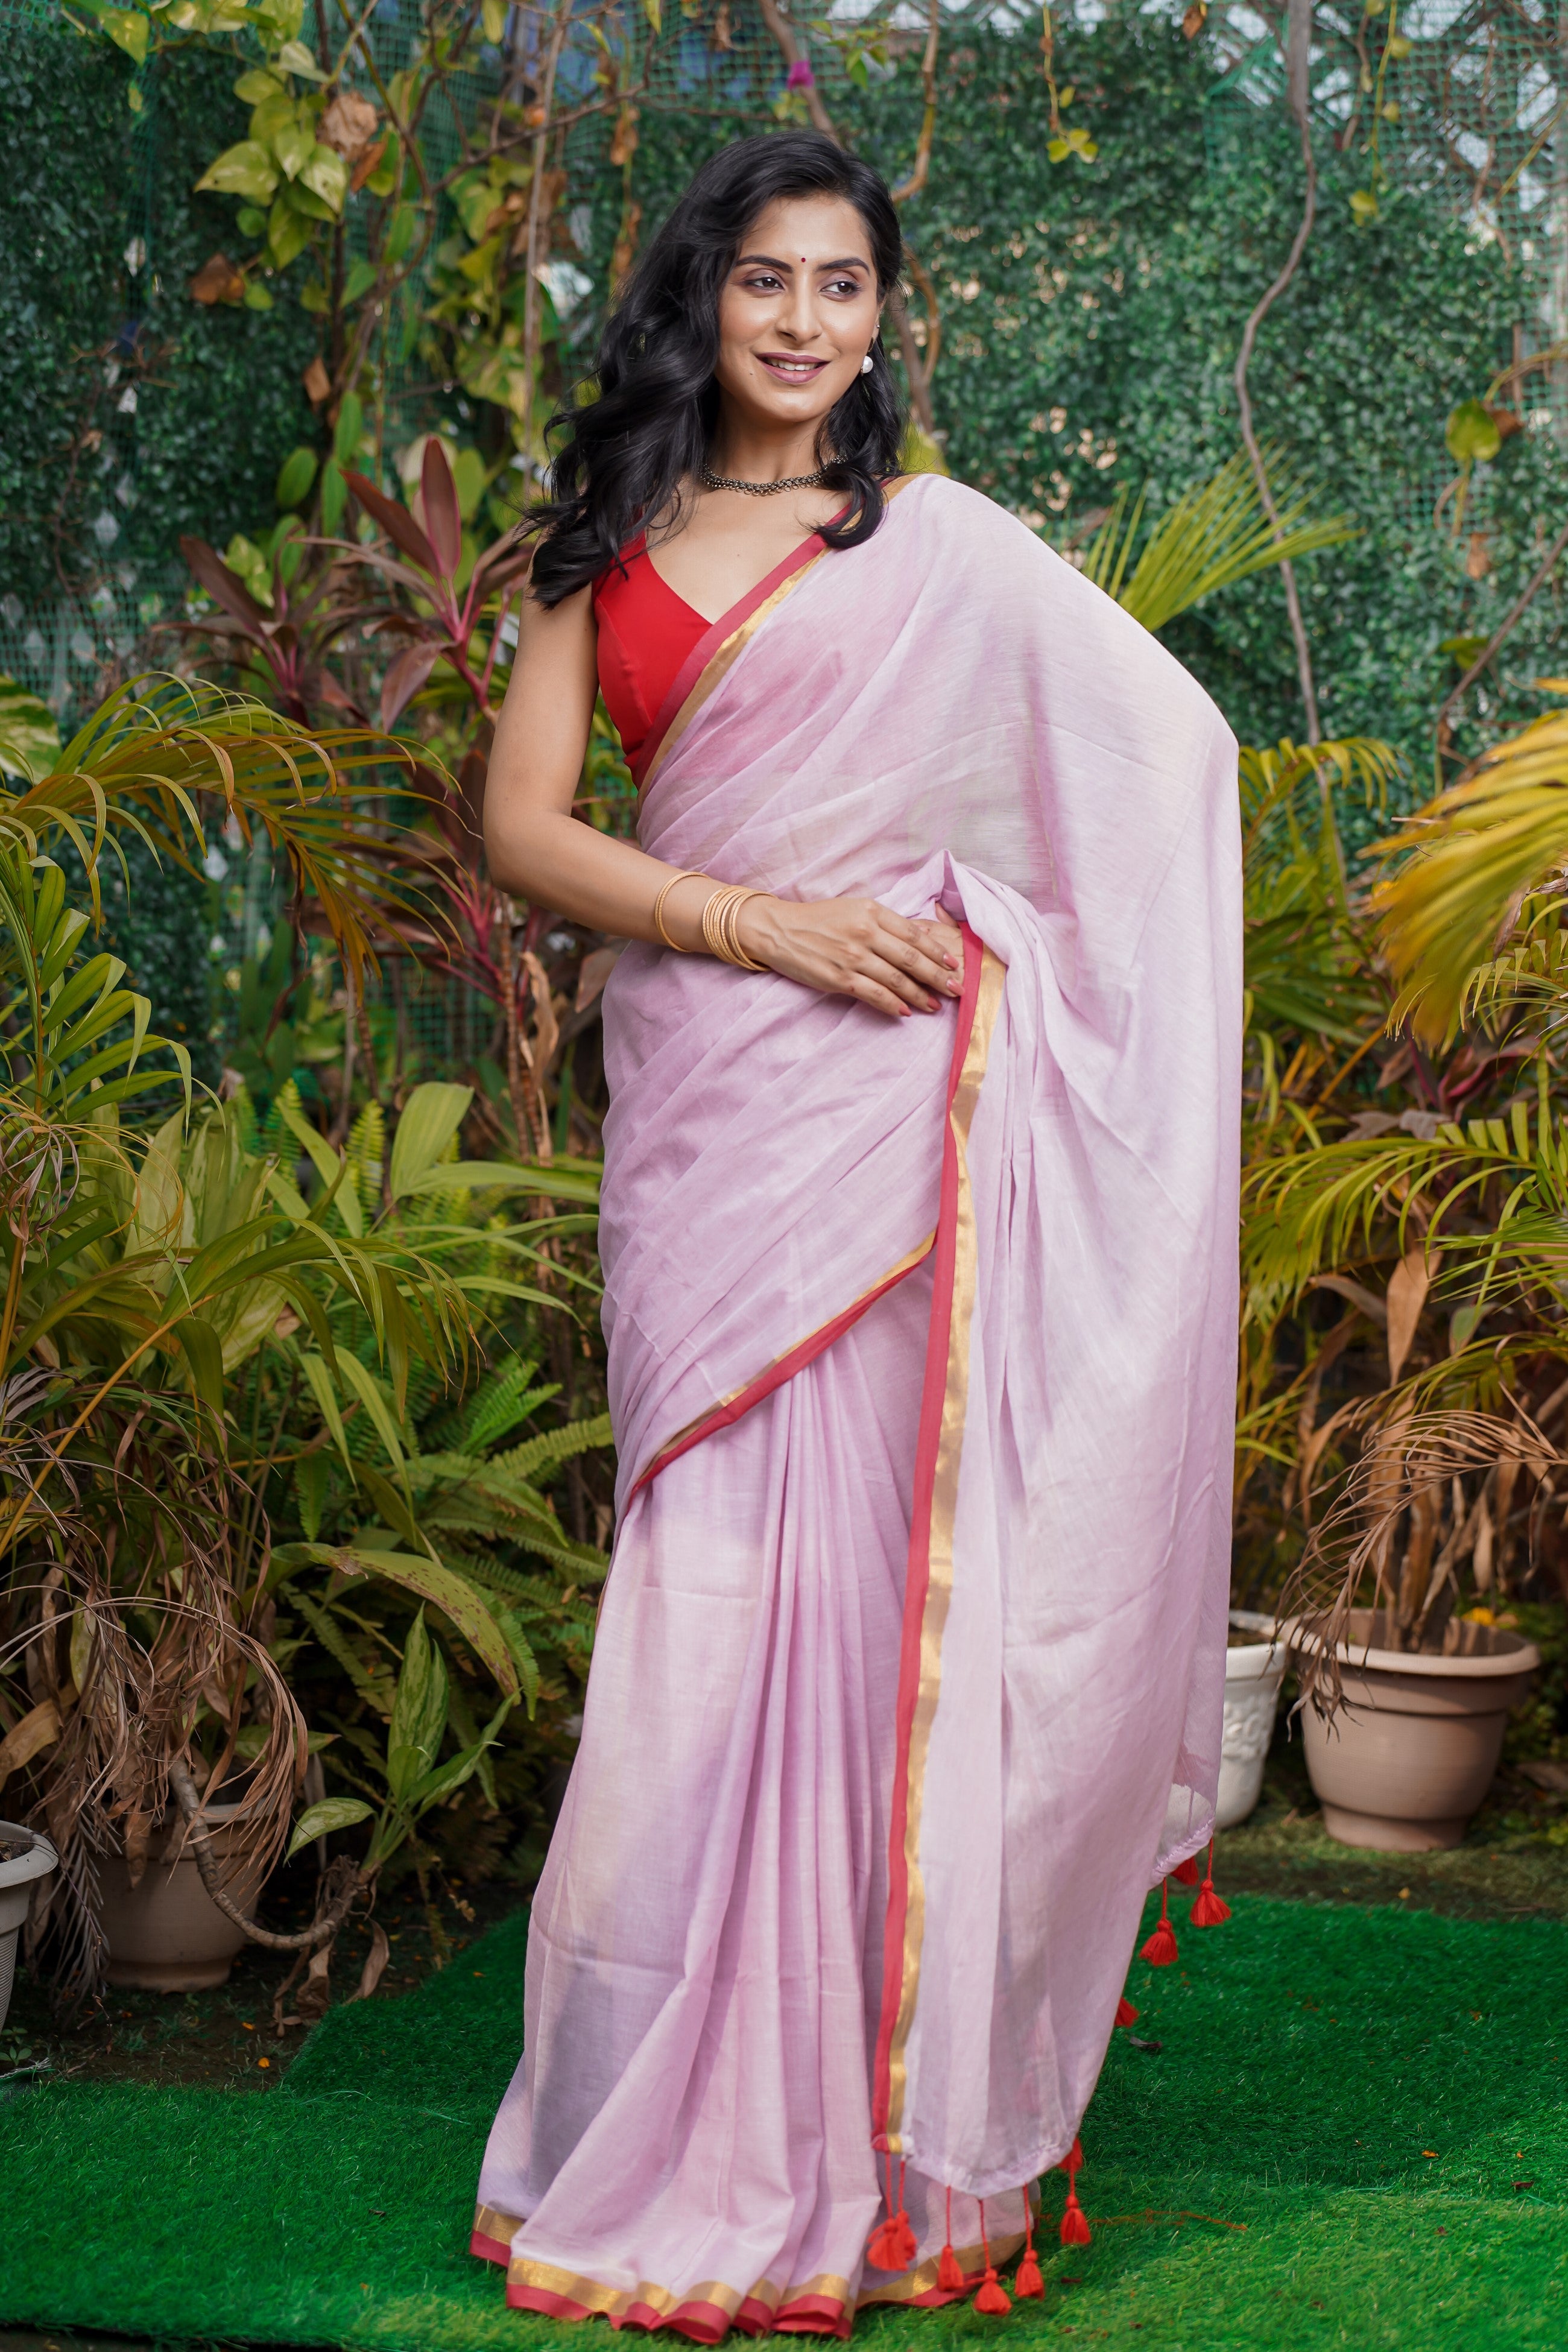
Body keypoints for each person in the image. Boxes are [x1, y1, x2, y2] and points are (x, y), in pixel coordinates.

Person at [473, 128, 1241, 2342]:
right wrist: (755, 924)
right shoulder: (599, 541)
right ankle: (657, 2111)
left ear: (885, 314)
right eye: (767, 283)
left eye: (846, 285)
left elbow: (1162, 762)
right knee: (705, 1611)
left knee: (878, 1609)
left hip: (894, 1135)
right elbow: (527, 826)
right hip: (714, 1122)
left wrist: (983, 933)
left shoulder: (945, 557)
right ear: (700, 300)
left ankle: (878, 2139)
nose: (808, 323)